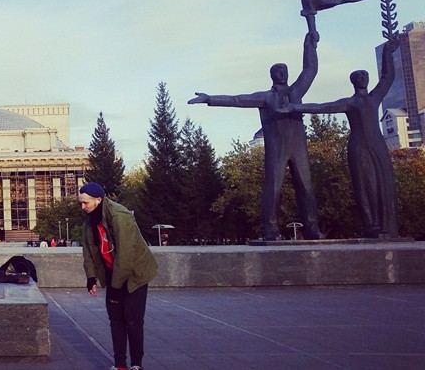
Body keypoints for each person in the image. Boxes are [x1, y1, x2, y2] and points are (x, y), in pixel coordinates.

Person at [189, 33, 324, 240]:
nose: (282, 73)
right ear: (272, 75)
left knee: (306, 187)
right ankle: (271, 229)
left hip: (298, 147)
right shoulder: (266, 97)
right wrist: (210, 99)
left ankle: (312, 228)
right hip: (276, 148)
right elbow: (237, 99)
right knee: (273, 188)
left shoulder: (296, 92)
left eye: (284, 70)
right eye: (278, 71)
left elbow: (310, 70)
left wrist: (309, 45)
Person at [280, 38, 400, 237]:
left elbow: (388, 77)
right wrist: (295, 107)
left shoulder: (374, 97)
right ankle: (371, 225)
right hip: (359, 147)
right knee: (364, 185)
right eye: (359, 76)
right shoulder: (350, 103)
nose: (362, 78)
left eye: (365, 75)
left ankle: (388, 226)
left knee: (384, 183)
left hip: (378, 145)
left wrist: (388, 52)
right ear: (354, 81)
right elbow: (322, 107)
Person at [79, 182, 157, 370]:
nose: (82, 207)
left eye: (85, 203)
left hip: (135, 273)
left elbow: (126, 255)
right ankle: (120, 365)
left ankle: (137, 364)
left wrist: (115, 288)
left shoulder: (119, 216)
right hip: (114, 272)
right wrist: (91, 277)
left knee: (133, 320)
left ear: (98, 200)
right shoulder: (90, 218)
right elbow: (89, 249)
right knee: (116, 320)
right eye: (80, 203)